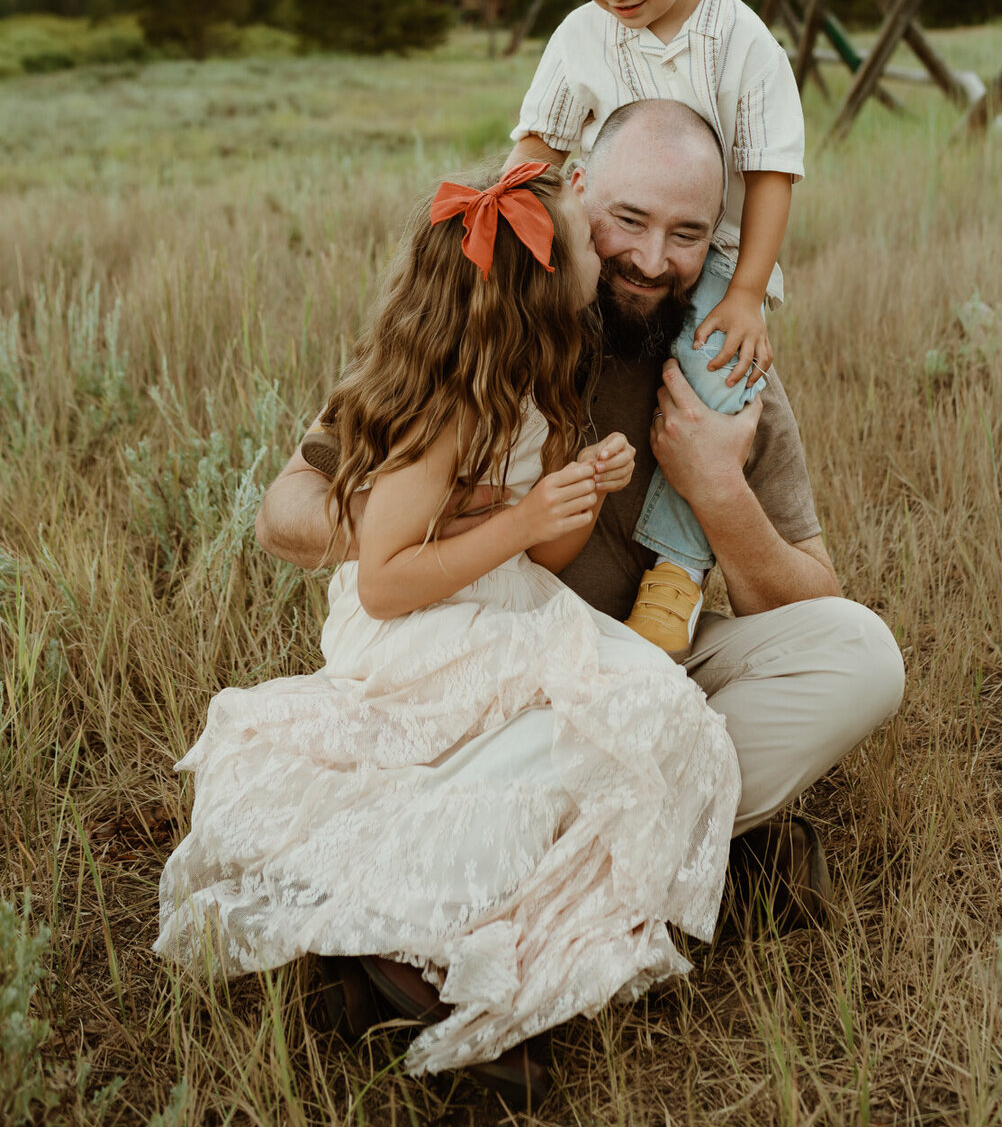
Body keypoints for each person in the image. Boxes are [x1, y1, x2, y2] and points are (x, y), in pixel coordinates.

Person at [259, 102, 906, 1085]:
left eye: (688, 234)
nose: (652, 258)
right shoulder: (492, 314)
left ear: (719, 237)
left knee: (861, 657)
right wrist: (457, 526)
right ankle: (532, 905)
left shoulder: (726, 366)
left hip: (644, 664)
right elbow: (289, 511)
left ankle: (501, 888)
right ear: (578, 194)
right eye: (630, 223)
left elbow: (811, 590)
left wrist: (718, 495)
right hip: (492, 680)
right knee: (577, 734)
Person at [156, 161, 741, 1108]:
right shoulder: (451, 407)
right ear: (542, 291)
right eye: (591, 237)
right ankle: (406, 933)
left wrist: (571, 493)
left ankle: (460, 952)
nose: (605, 245)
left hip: (503, 597)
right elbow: (383, 582)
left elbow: (545, 558)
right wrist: (516, 523)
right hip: (419, 624)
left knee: (648, 716)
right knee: (632, 711)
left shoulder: (537, 384)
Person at [507, 0, 806, 653]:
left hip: (707, 256)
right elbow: (538, 145)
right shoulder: (582, 35)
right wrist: (508, 222)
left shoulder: (744, 47)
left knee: (714, 381)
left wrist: (746, 293)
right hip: (604, 236)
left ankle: (676, 572)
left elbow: (774, 172)